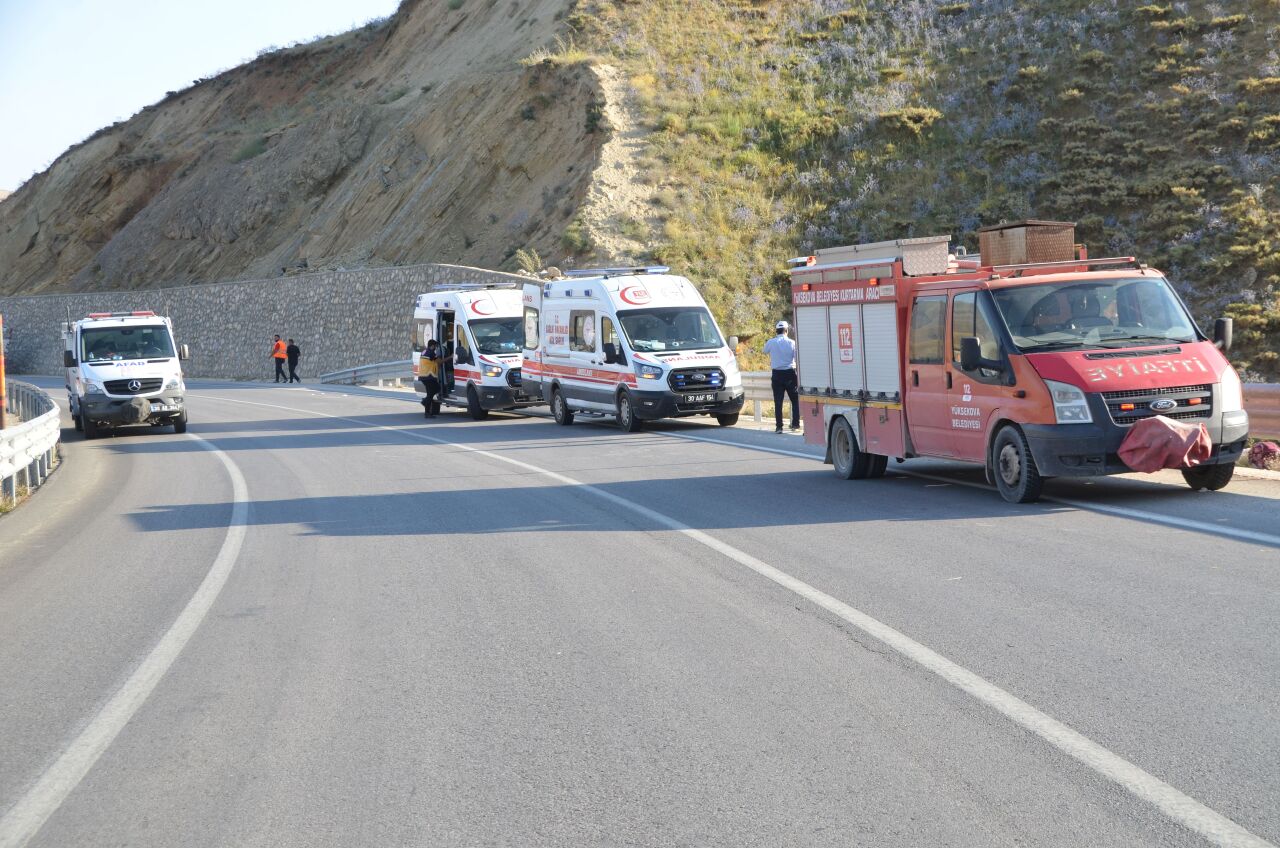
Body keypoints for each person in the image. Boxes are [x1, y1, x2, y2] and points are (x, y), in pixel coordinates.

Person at [764, 319, 800, 434]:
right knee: (795, 400)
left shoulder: (771, 342)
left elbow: (764, 351)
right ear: (786, 331)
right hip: (790, 373)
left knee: (778, 402)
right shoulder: (792, 343)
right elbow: (796, 358)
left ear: (776, 331)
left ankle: (779, 427)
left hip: (777, 375)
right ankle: (795, 424)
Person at [418, 340, 443, 418]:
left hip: (423, 376)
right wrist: (451, 357)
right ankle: (425, 402)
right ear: (432, 346)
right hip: (429, 376)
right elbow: (440, 361)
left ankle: (427, 413)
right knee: (437, 389)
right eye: (435, 346)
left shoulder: (424, 351)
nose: (435, 348)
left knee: (429, 394)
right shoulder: (431, 353)